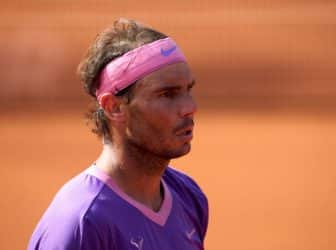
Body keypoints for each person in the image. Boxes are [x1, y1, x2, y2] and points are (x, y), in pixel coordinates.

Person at [28, 18, 208, 250]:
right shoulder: (81, 223)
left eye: (187, 90)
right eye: (167, 94)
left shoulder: (188, 196)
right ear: (115, 107)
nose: (189, 107)